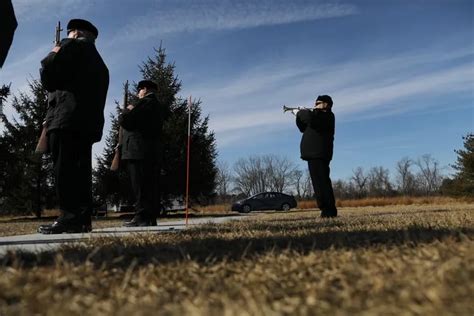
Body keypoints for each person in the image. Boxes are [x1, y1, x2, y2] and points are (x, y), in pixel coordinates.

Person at [38, 19, 109, 233]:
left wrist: (56, 49)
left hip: (66, 119)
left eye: (70, 33)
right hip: (86, 123)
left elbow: (49, 71)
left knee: (64, 171)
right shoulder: (99, 62)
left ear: (76, 33)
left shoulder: (73, 46)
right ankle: (82, 219)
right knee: (81, 172)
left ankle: (69, 218)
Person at [119, 80, 166, 227]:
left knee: (139, 186)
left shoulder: (144, 103)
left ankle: (141, 217)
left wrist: (127, 110)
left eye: (139, 90)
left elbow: (126, 120)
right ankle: (149, 217)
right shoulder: (157, 105)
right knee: (150, 185)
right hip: (151, 151)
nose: (138, 93)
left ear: (144, 89)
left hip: (138, 151)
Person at [296, 95, 338, 217]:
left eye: (318, 102)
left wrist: (302, 112)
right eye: (315, 102)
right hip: (312, 154)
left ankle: (329, 210)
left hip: (320, 153)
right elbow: (302, 127)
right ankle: (325, 209)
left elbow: (311, 120)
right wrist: (298, 116)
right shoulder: (315, 116)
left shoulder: (327, 116)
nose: (315, 104)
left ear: (326, 104)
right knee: (318, 184)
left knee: (322, 182)